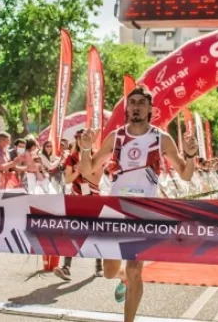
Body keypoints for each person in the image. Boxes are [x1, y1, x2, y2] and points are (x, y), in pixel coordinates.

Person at [80, 87, 196, 322]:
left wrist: (191, 155)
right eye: (132, 102)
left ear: (150, 109)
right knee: (109, 272)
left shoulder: (161, 138)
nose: (135, 106)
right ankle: (120, 276)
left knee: (135, 270)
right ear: (127, 108)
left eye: (141, 103)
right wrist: (84, 148)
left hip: (144, 211)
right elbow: (88, 170)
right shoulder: (116, 137)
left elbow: (185, 174)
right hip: (115, 210)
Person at [53, 129, 104, 280]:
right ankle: (66, 267)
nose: (83, 140)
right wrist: (77, 172)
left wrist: (86, 171)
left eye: (87, 137)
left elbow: (98, 178)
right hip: (76, 199)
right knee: (72, 232)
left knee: (95, 232)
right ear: (78, 140)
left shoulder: (96, 155)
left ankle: (99, 267)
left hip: (92, 198)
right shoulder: (72, 158)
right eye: (81, 138)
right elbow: (67, 180)